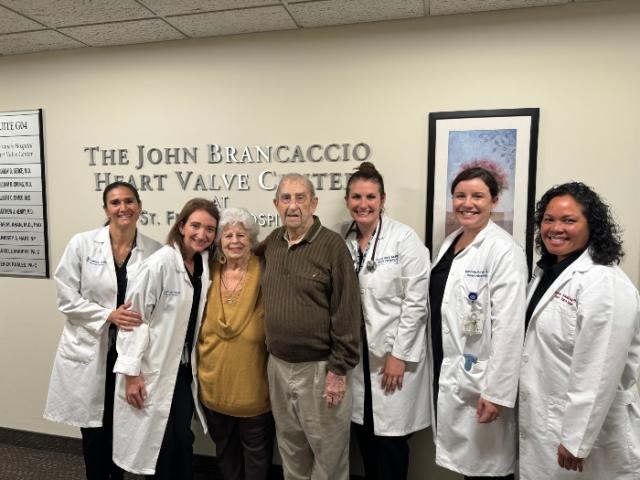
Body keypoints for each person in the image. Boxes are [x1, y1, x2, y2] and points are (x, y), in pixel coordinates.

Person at [519, 182, 640, 480]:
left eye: (569, 220)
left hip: (584, 436)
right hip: (545, 419)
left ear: (592, 226)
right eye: (548, 219)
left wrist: (576, 438)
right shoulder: (546, 273)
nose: (555, 228)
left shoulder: (604, 283)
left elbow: (599, 369)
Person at [44, 181, 161, 480]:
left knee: (122, 428)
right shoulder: (82, 244)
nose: (123, 208)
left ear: (139, 206)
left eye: (129, 201)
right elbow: (66, 298)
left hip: (129, 356)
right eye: (115, 202)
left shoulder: (154, 252)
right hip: (90, 352)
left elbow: (155, 307)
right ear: (106, 209)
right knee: (94, 433)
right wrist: (108, 315)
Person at [429, 166, 527, 480]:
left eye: (477, 196)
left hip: (481, 378)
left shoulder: (504, 251)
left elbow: (509, 327)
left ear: (494, 200)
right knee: (467, 465)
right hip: (450, 365)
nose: (467, 203)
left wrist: (497, 392)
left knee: (487, 467)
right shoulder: (451, 242)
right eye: (460, 196)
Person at [261, 173, 361, 480]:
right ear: (276, 204)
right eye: (286, 198)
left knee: (328, 457)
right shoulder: (272, 243)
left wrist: (338, 371)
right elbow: (238, 256)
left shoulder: (333, 247)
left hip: (320, 370)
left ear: (313, 203)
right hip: (278, 366)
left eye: (300, 198)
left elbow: (347, 311)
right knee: (291, 450)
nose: (293, 206)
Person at [335, 162, 431, 480]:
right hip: (357, 359)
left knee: (390, 446)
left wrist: (399, 356)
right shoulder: (343, 241)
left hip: (391, 358)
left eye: (371, 197)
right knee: (365, 440)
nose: (364, 204)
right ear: (348, 200)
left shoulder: (404, 239)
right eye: (357, 197)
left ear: (383, 199)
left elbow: (416, 304)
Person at [112, 198, 219, 478]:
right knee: (161, 445)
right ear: (181, 226)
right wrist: (131, 374)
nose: (202, 234)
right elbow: (134, 321)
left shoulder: (203, 264)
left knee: (182, 438)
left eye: (209, 229)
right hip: (151, 369)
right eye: (195, 225)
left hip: (181, 371)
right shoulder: (159, 263)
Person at [198, 207, 275, 480]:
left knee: (256, 453)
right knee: (225, 450)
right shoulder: (207, 272)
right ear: (219, 240)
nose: (234, 241)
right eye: (228, 235)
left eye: (241, 234)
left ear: (251, 239)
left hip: (253, 385)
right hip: (214, 382)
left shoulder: (266, 271)